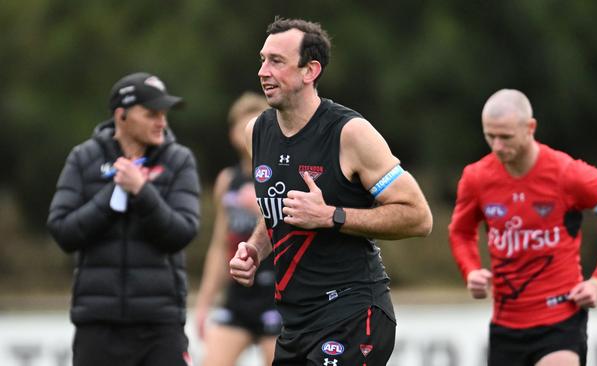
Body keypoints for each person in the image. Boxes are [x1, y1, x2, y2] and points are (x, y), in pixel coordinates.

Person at [228, 18, 433, 366]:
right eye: (262, 59)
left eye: (277, 61)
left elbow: (418, 217)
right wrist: (255, 249)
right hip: (294, 323)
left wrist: (331, 216)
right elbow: (275, 211)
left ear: (310, 70)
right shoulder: (256, 132)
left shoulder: (350, 133)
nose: (263, 71)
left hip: (353, 314)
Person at [448, 89, 597, 366]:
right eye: (490, 136)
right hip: (506, 323)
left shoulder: (570, 174)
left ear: (530, 128)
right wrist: (471, 270)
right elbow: (461, 231)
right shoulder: (476, 178)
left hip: (560, 319)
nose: (497, 146)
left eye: (506, 137)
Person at [47, 72, 200, 366]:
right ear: (122, 115)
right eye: (152, 114)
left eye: (164, 114)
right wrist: (112, 195)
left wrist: (142, 191)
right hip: (97, 325)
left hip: (160, 325)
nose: (162, 123)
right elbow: (62, 231)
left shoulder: (179, 160)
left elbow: (182, 233)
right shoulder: (83, 158)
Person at [195, 92, 281, 366]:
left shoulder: (281, 174)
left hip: (277, 296)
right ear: (234, 133)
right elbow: (220, 245)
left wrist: (259, 206)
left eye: (254, 125)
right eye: (241, 126)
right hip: (238, 298)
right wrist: (204, 303)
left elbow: (297, 226)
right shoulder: (227, 180)